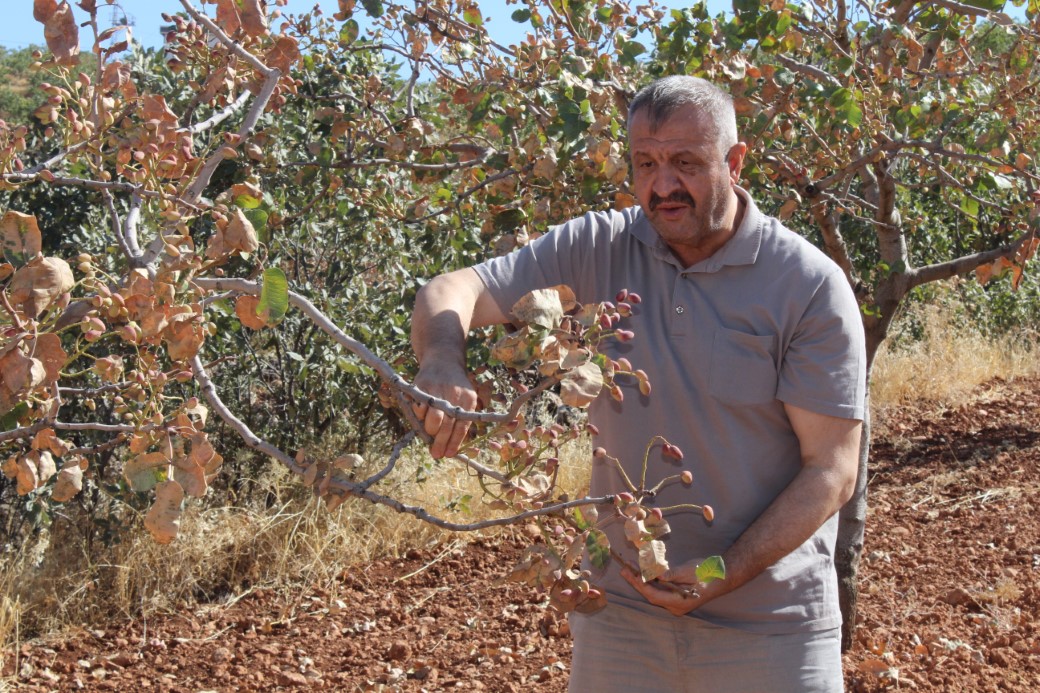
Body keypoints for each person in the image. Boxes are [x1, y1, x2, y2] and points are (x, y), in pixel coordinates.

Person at [410, 75, 866, 692]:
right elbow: (452, 289)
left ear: (734, 163)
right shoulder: (598, 247)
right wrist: (442, 360)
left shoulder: (808, 285)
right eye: (645, 163)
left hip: (773, 627)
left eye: (685, 162)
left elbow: (831, 470)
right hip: (621, 616)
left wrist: (721, 570)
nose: (663, 184)